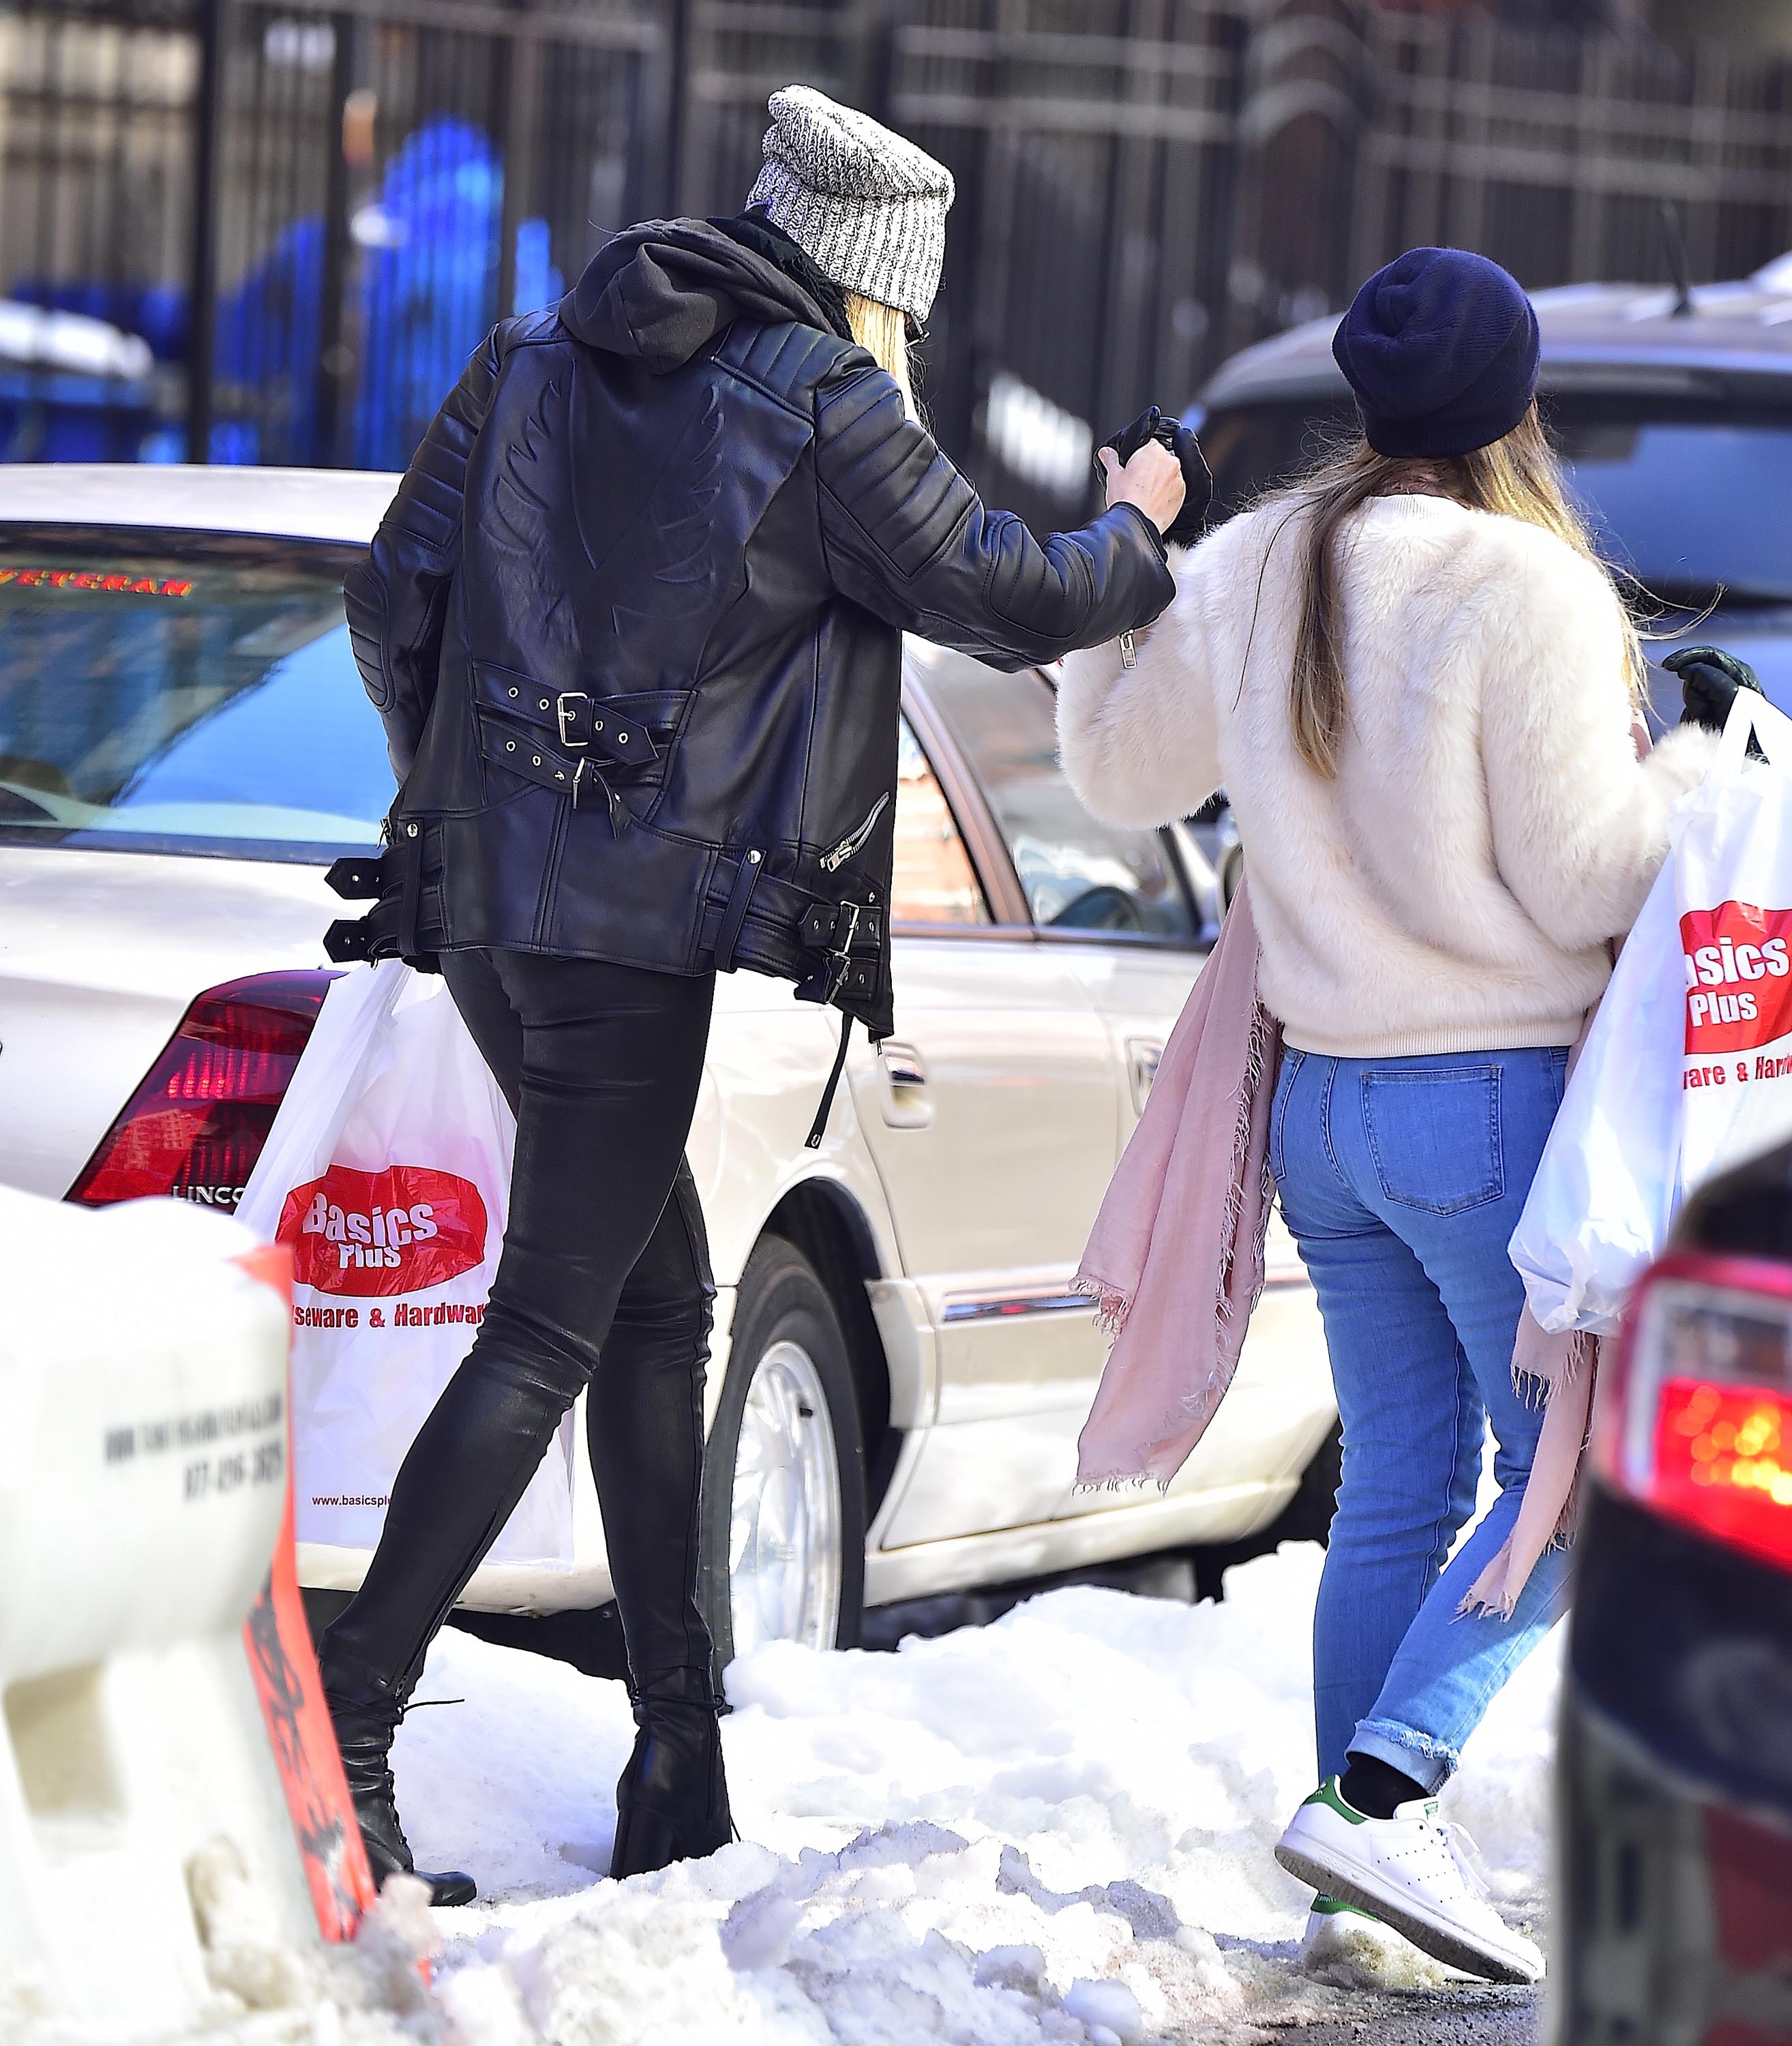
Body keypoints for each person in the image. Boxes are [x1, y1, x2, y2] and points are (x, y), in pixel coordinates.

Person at [320, 84, 1186, 1903]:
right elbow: (1009, 596)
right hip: (633, 928)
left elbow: (390, 598)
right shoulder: (822, 404)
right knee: (556, 1325)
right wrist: (1141, 519)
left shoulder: (529, 355)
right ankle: (345, 1731)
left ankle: (675, 1753)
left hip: (496, 908)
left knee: (654, 1303)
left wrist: (473, 801)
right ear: (877, 285)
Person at [1056, 247, 1754, 1982]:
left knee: (1399, 1486)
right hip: (1495, 1109)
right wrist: (1695, 773)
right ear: (1520, 410)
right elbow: (1592, 880)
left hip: (1323, 1113)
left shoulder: (1257, 561)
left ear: (1364, 403)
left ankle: (1345, 1874)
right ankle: (1379, 1801)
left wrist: (1130, 563)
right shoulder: (1529, 590)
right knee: (1582, 1483)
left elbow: (1112, 775)